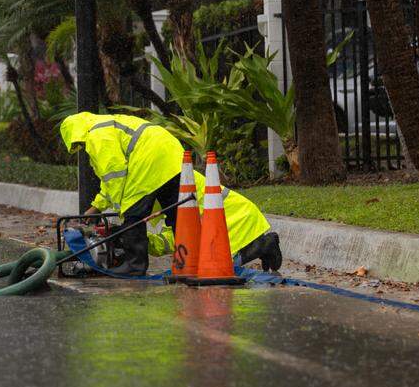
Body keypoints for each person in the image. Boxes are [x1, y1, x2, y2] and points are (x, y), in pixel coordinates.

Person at [59, 112, 281, 274]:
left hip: (231, 219)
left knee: (217, 269)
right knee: (181, 219)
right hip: (171, 154)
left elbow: (115, 177)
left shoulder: (98, 135)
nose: (81, 148)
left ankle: (135, 266)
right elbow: (110, 181)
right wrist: (97, 207)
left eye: (79, 145)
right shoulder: (108, 126)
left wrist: (124, 215)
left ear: (76, 133)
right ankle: (189, 260)